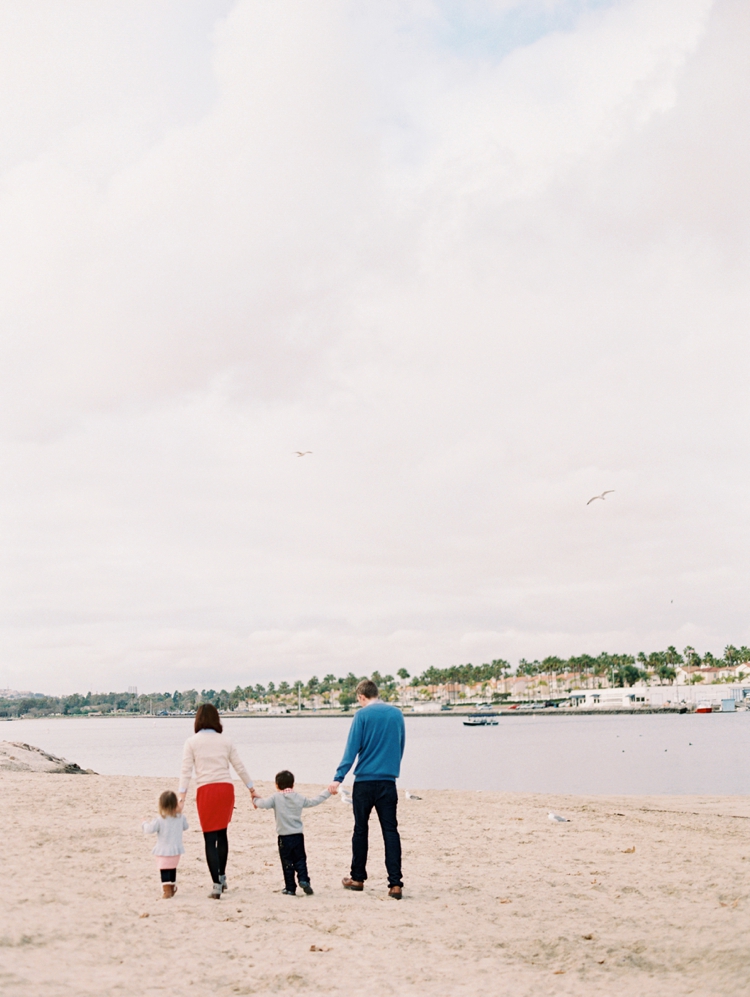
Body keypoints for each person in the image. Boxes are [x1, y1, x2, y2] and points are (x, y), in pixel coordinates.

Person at [328, 678, 405, 899]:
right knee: (390, 831)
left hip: (364, 782)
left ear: (362, 697)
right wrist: (391, 768)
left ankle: (358, 878)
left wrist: (338, 777)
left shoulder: (361, 716)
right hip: (388, 781)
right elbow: (400, 745)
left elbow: (351, 750)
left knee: (361, 830)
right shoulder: (396, 714)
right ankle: (395, 883)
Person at [177, 703, 256, 899]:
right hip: (225, 790)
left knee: (209, 839)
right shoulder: (225, 741)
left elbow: (186, 771)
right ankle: (222, 876)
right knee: (222, 835)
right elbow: (239, 766)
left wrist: (181, 797)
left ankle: (215, 884)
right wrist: (251, 788)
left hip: (206, 790)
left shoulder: (191, 742)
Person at [253, 769, 332, 896]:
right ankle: (304, 880)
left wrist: (255, 799)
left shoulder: (275, 797)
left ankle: (290, 888)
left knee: (287, 863)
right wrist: (328, 791)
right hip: (298, 836)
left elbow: (263, 804)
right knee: (300, 859)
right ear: (293, 784)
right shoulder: (299, 798)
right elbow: (315, 801)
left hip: (284, 837)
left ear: (277, 785)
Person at [143, 790, 189, 899]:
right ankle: (172, 888)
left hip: (163, 850)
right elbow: (186, 827)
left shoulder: (160, 819)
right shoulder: (180, 818)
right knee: (172, 868)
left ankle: (167, 891)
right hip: (176, 850)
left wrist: (144, 823)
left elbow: (149, 830)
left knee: (164, 869)